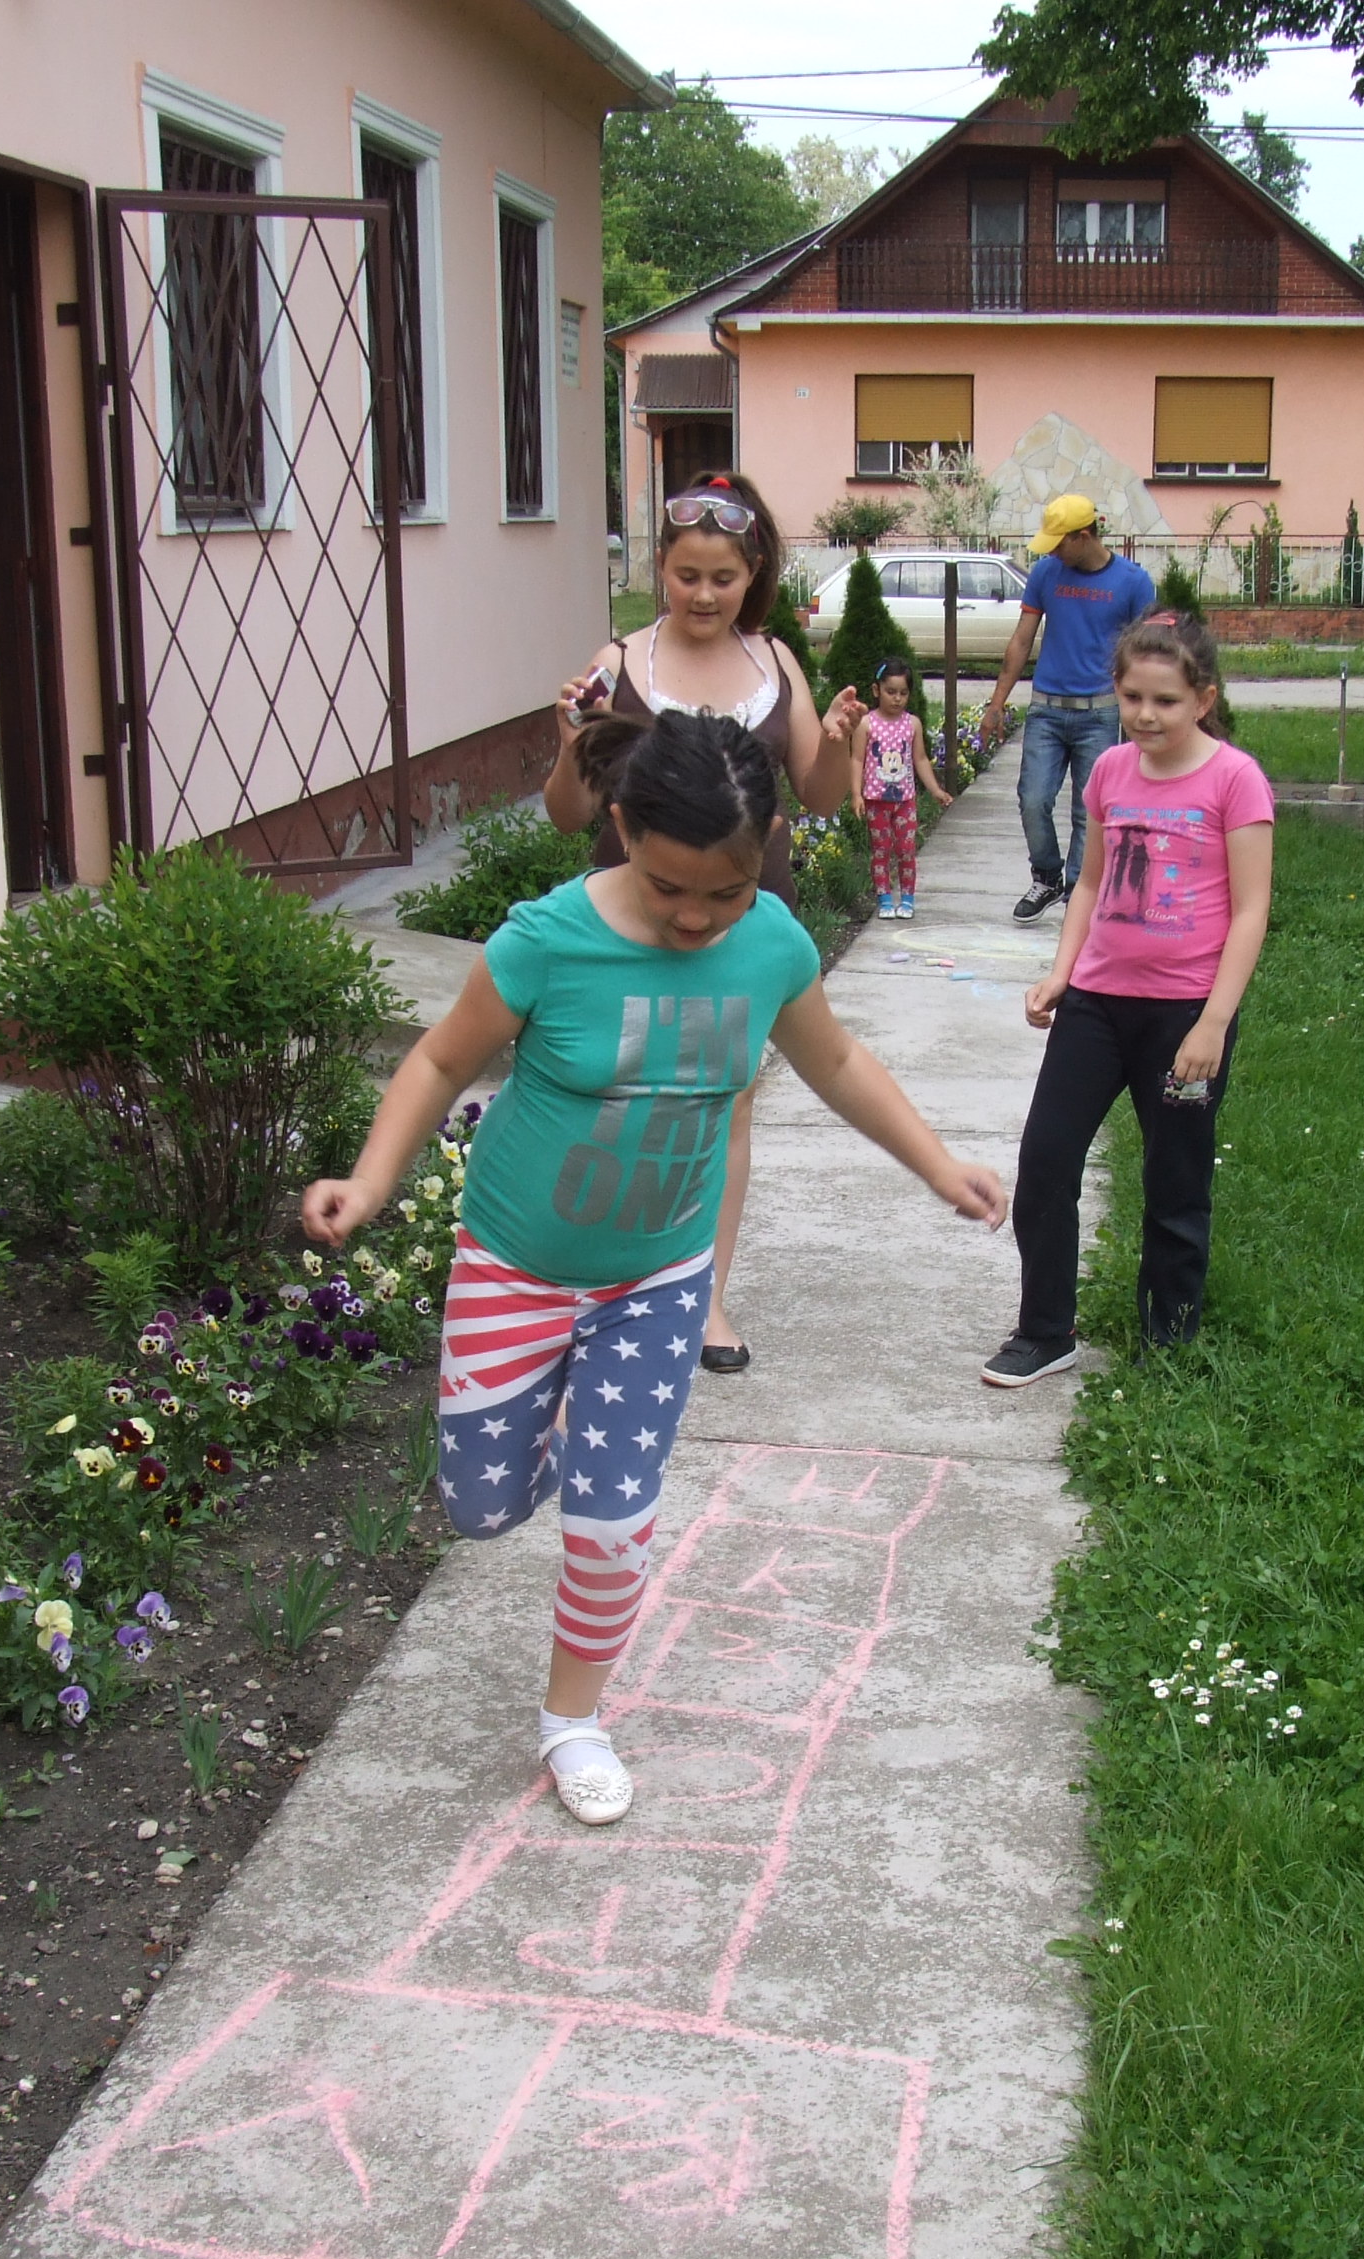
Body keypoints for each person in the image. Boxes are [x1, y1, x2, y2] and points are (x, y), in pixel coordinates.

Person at [307, 708, 1007, 1825]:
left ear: (763, 856)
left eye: (725, 893)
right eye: (671, 886)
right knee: (480, 1507)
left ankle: (572, 1721)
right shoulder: (545, 941)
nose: (695, 917)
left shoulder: (771, 943)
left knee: (612, 1519)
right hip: (517, 1265)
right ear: (626, 829)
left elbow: (834, 1060)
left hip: (659, 1280)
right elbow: (439, 1060)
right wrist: (371, 1178)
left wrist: (936, 1164)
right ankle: (550, 1431)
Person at [546, 470, 862, 1375]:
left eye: (723, 578)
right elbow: (568, 815)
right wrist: (571, 744)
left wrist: (838, 743)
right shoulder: (618, 665)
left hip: (742, 923)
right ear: (663, 568)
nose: (705, 595)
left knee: (725, 1106)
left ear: (752, 573)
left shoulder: (776, 662)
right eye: (687, 575)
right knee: (613, 1101)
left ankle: (704, 1299)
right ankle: (597, 1286)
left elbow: (818, 796)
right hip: (627, 927)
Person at [984, 612, 1271, 1388]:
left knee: (1176, 1178)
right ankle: (1046, 1330)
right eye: (1133, 696)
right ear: (1115, 690)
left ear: (1204, 699)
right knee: (1046, 1161)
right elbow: (1089, 883)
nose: (1146, 714)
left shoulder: (1235, 779)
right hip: (1097, 1004)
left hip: (1185, 1016)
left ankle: (1169, 1338)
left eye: (1166, 701)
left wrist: (1213, 1023)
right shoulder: (1110, 771)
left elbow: (1251, 910)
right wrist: (1062, 972)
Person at [980, 494, 1157, 925]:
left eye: (1060, 543)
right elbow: (1022, 640)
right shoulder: (1046, 573)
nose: (1054, 552)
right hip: (1046, 709)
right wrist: (997, 702)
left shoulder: (1134, 583)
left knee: (1088, 809)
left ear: (1083, 536)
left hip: (1100, 713)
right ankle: (1046, 876)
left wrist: (1142, 715)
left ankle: (1078, 889)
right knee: (1033, 799)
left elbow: (1149, 655)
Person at [848, 657, 947, 920]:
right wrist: (856, 794)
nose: (897, 699)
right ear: (876, 690)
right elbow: (857, 759)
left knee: (906, 849)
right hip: (876, 800)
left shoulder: (912, 724)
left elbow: (920, 759)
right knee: (881, 850)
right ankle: (884, 899)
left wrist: (935, 790)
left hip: (905, 800)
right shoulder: (866, 724)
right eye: (891, 692)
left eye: (903, 693)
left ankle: (907, 898)